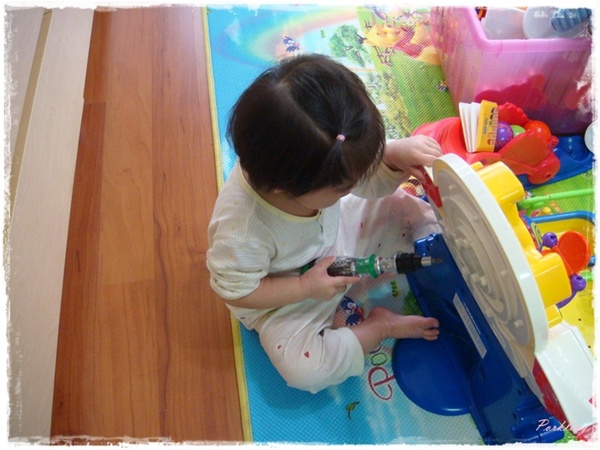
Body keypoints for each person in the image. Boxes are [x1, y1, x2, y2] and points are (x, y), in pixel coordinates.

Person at [207, 54, 442, 393]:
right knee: (303, 370)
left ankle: (437, 239)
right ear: (286, 189)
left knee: (400, 207)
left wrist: (392, 156)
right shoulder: (242, 231)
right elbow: (240, 292)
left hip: (332, 238)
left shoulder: (311, 163)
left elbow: (350, 170)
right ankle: (379, 327)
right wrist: (305, 287)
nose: (357, 183)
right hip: (286, 294)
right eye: (345, 186)